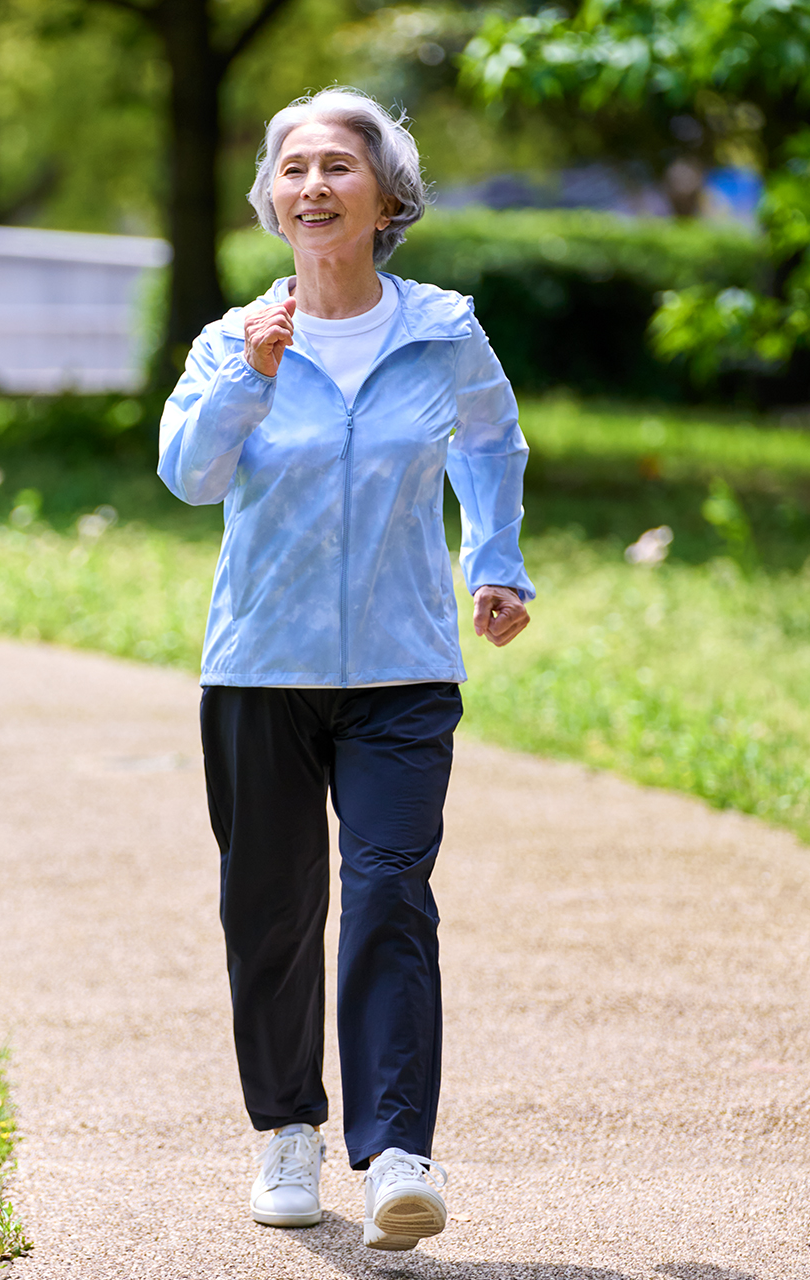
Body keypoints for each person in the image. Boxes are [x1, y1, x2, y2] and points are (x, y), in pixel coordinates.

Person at [157, 88, 534, 1252]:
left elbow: (491, 441)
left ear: (385, 198)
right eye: (295, 169)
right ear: (272, 199)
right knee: (269, 907)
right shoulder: (235, 336)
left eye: (338, 167)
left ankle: (397, 1156)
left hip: (404, 667)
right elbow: (188, 475)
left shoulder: (443, 328)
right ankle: (286, 1132)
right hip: (260, 664)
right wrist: (246, 376)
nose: (313, 185)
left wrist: (497, 561)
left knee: (387, 893)